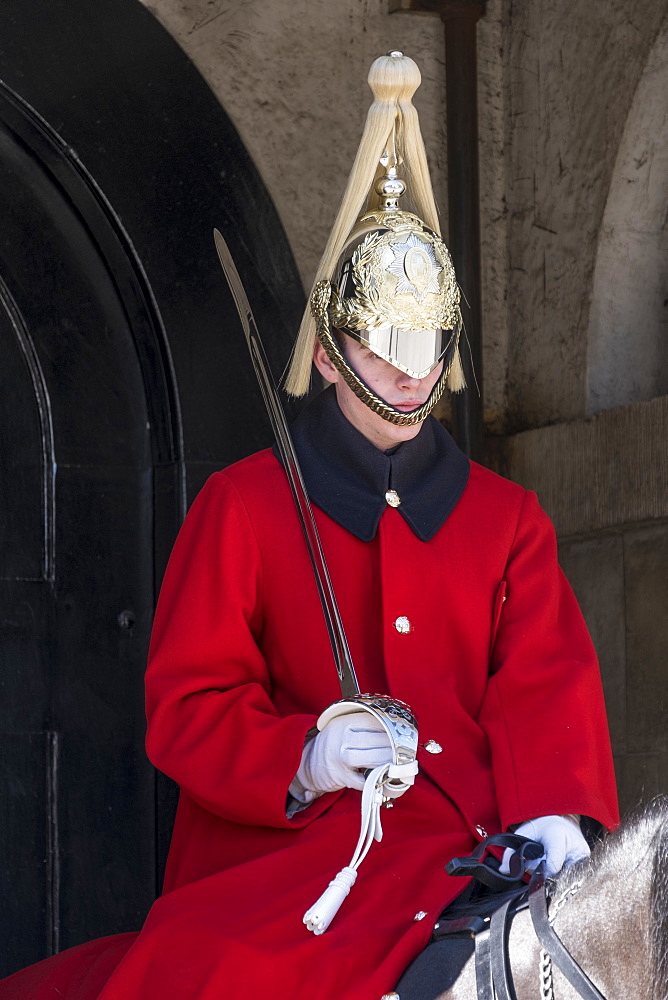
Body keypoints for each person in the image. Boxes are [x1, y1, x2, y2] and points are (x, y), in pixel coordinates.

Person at [0, 51, 618, 1000]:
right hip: (291, 857)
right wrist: (306, 756)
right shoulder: (244, 507)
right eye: (391, 346)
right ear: (332, 354)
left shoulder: (507, 520)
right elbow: (189, 707)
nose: (415, 372)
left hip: (468, 845)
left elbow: (544, 686)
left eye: (431, 347)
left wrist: (553, 817)